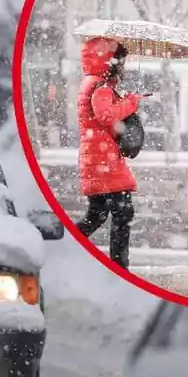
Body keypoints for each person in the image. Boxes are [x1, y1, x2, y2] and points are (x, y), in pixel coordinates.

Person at [74, 37, 142, 269]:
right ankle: (119, 265)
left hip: (96, 159)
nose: (123, 66)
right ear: (109, 61)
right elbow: (105, 116)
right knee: (123, 213)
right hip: (105, 161)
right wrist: (131, 103)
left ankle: (65, 244)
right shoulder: (101, 87)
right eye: (121, 61)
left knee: (97, 215)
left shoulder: (92, 83)